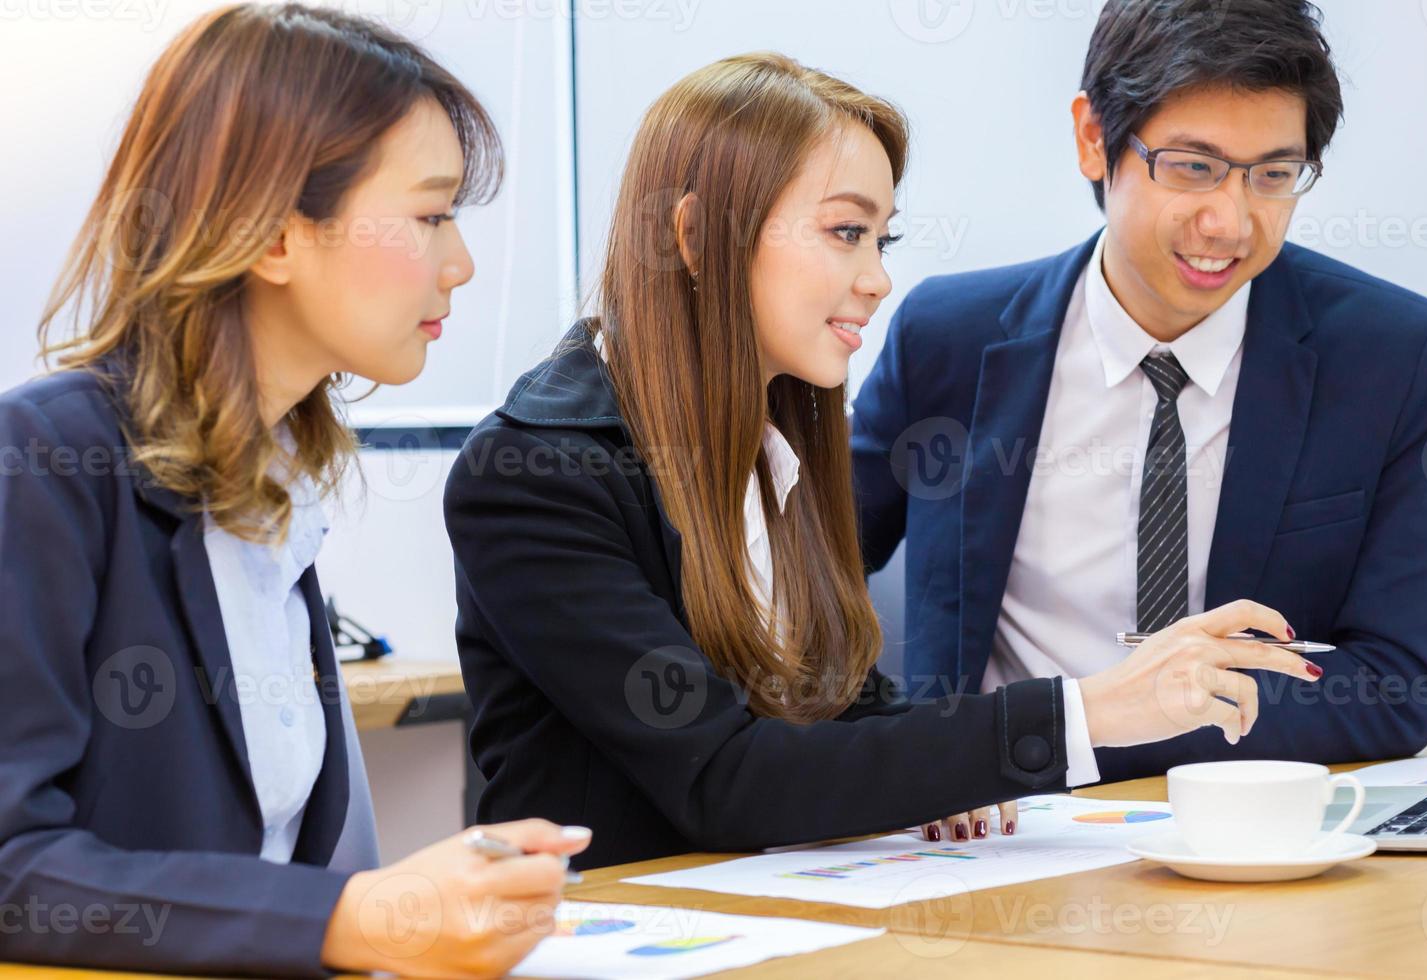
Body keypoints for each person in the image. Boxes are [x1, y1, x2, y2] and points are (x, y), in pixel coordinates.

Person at [444, 52, 1321, 870]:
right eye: (844, 233)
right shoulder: (537, 476)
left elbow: (844, 712)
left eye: (881, 240)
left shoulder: (776, 444)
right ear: (699, 235)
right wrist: (1086, 711)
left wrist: (951, 772)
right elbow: (725, 778)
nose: (876, 279)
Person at [0, 6, 587, 976]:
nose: (462, 264)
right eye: (432, 214)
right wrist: (349, 914)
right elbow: (13, 866)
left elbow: (267, 863)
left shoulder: (275, 486)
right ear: (274, 234)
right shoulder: (47, 460)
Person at [852, 0, 1427, 783]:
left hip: (1245, 824)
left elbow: (1394, 686)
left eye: (1274, 175)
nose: (1230, 222)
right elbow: (802, 572)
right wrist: (903, 743)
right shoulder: (949, 337)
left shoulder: (1392, 354)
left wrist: (1144, 719)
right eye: (1192, 167)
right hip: (996, 815)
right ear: (1092, 138)